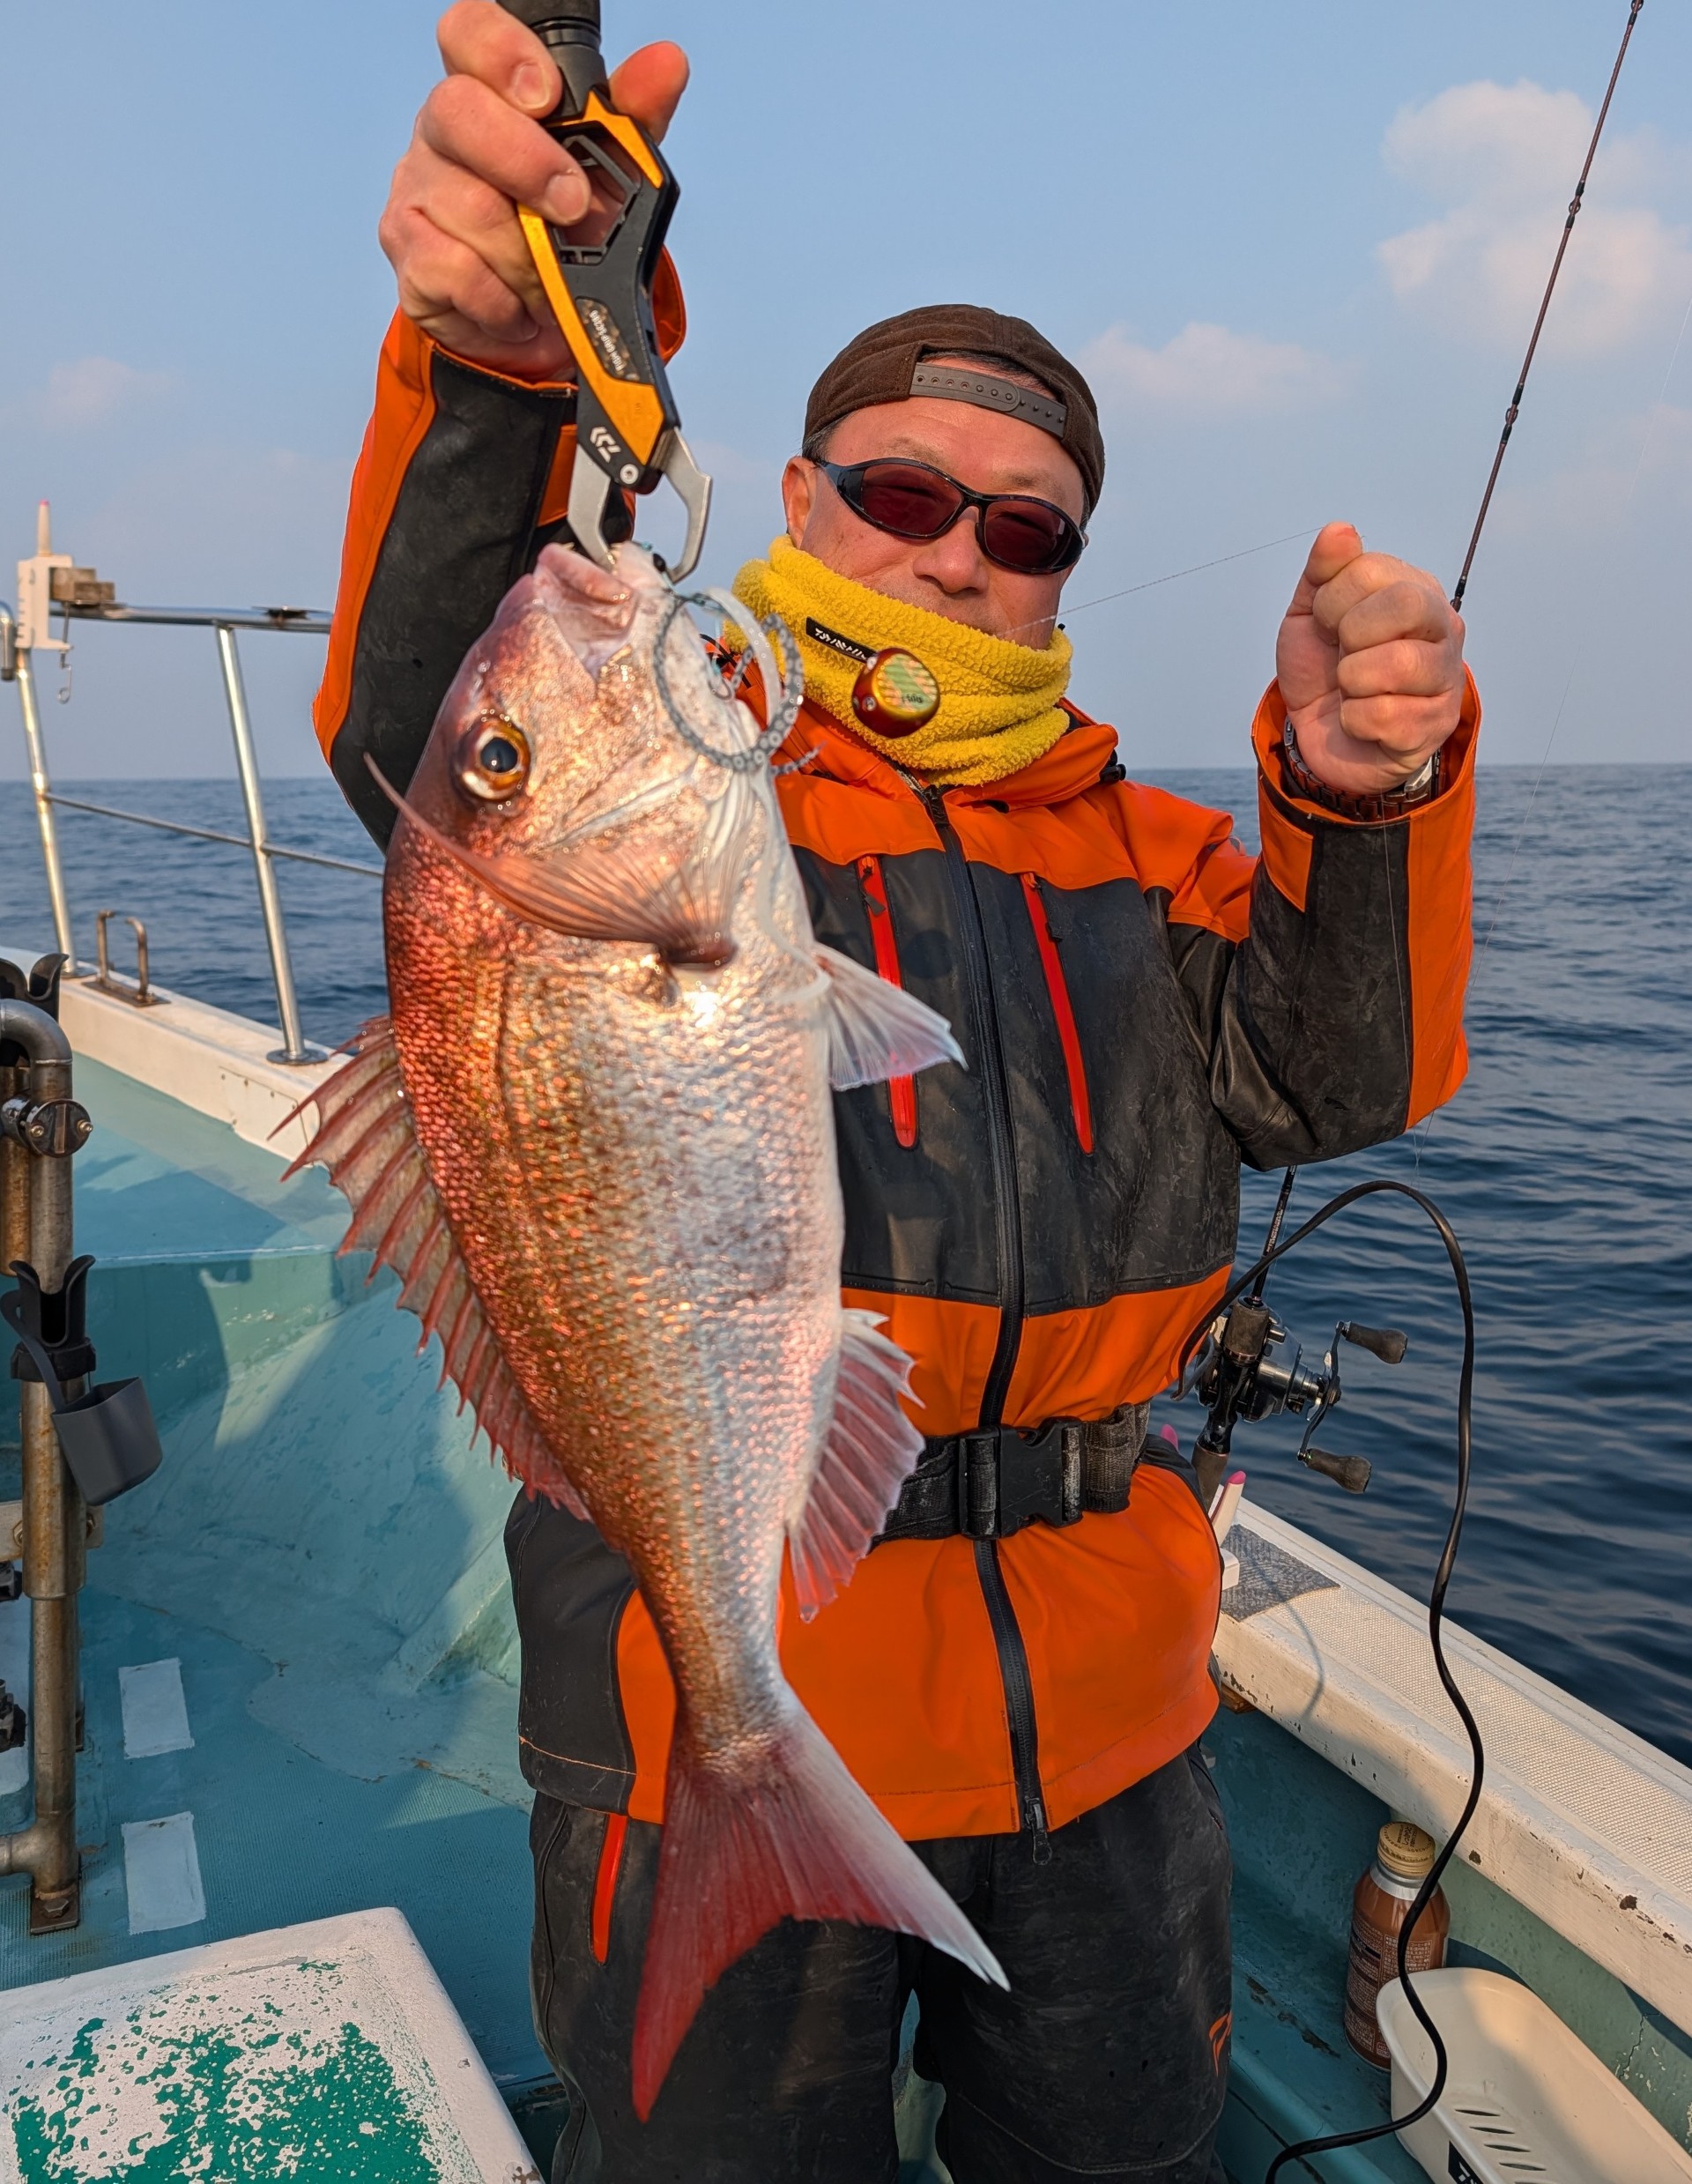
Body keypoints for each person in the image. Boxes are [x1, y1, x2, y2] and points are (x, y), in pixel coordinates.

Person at [314, 8, 1477, 2178]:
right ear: (796, 499)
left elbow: (1347, 1075)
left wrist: (1360, 796)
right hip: (718, 1670)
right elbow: (429, 737)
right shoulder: (709, 779)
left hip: (1111, 1725)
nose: (959, 554)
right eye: (907, 496)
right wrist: (500, 370)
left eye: (1024, 531)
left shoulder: (1155, 856)